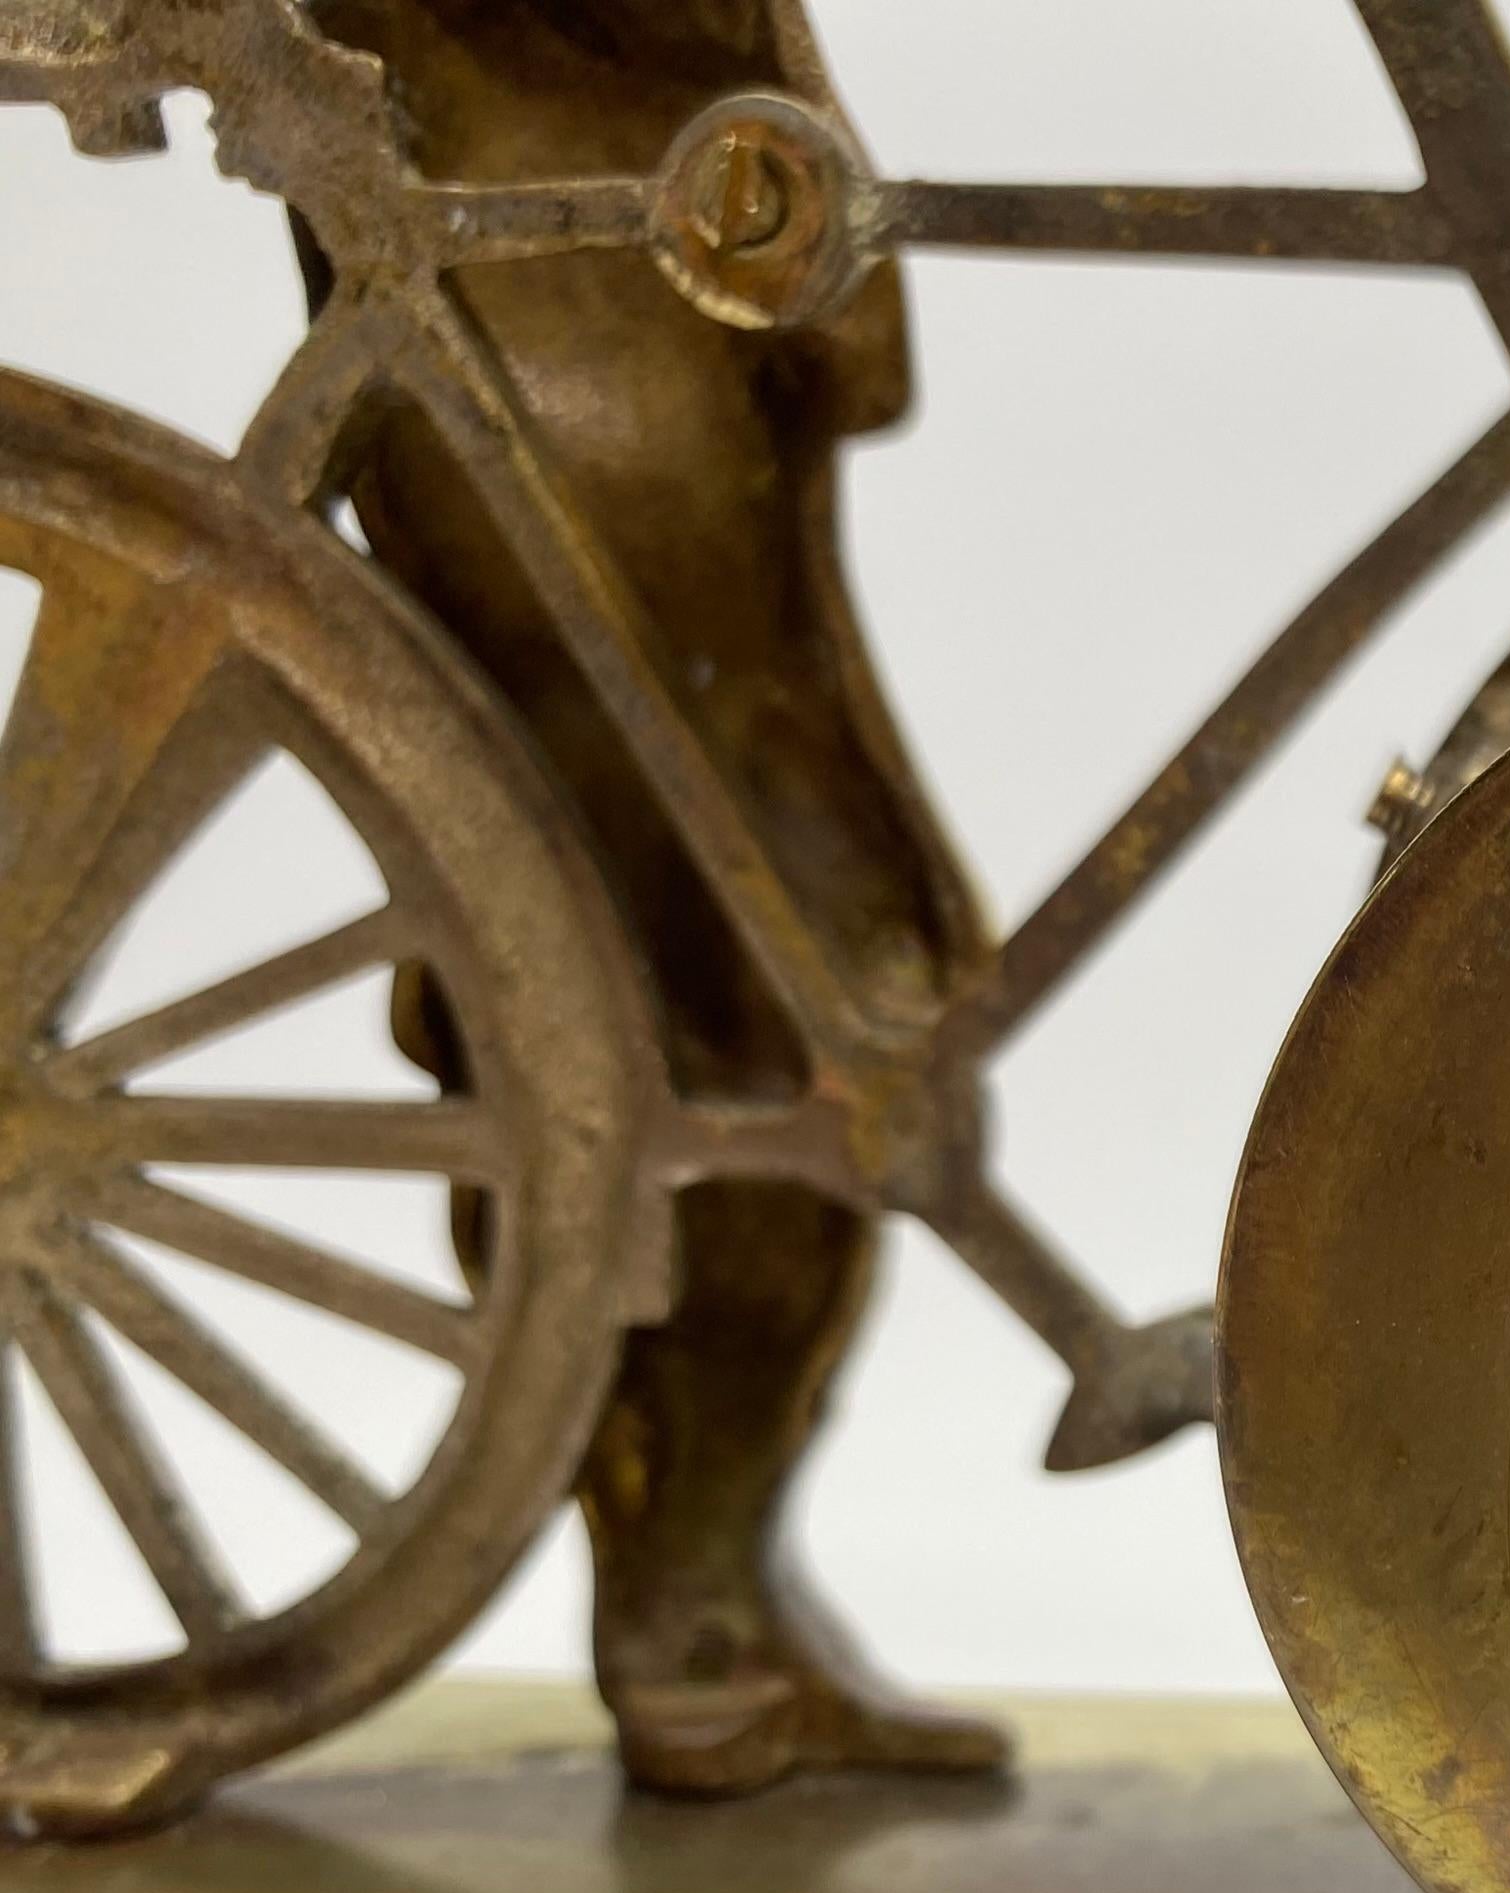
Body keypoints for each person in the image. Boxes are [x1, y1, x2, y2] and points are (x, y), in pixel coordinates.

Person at [299, 0, 1006, 1794]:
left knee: (831, 996)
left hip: (637, 339)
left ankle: (703, 1600)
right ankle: (687, 1612)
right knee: (784, 1016)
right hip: (567, 382)